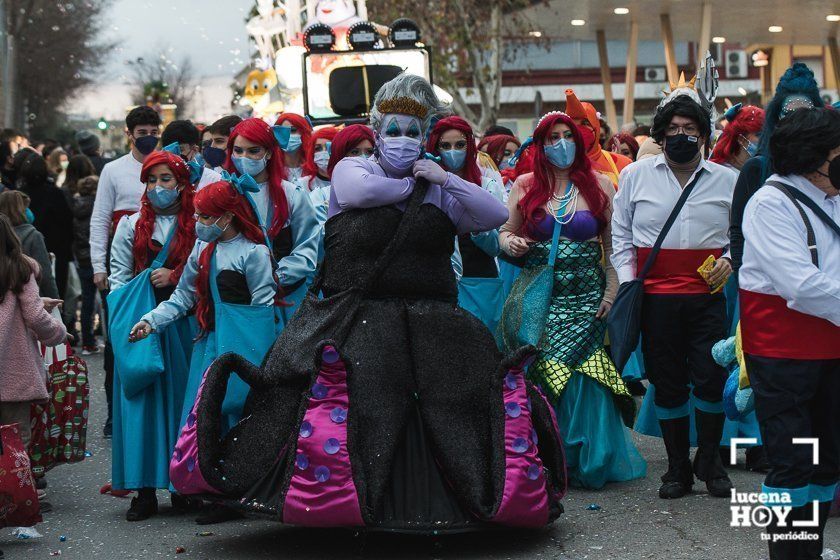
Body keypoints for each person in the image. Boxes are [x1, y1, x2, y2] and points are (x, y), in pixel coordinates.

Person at [169, 74, 567, 531]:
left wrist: (443, 179)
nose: (403, 141)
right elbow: (360, 194)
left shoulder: (440, 186)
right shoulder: (352, 170)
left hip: (435, 325)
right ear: (378, 134)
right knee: (356, 399)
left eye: (413, 133)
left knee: (450, 407)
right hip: (354, 321)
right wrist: (415, 187)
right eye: (393, 132)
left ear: (424, 137)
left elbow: (494, 215)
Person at [498, 111, 645, 489]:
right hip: (541, 300)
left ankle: (591, 460)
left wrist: (611, 295)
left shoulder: (600, 185)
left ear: (578, 143)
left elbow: (615, 251)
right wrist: (509, 241)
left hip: (588, 299)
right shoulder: (525, 185)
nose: (559, 143)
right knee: (547, 372)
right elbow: (504, 232)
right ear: (541, 144)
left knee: (589, 376)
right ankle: (550, 458)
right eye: (551, 137)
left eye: (566, 135)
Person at [612, 94, 737, 499]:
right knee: (666, 382)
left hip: (708, 297)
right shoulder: (635, 175)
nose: (681, 136)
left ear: (704, 136)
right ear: (661, 134)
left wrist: (731, 260)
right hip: (656, 298)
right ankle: (677, 469)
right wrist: (631, 283)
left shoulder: (727, 180)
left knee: (711, 378)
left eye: (690, 130)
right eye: (674, 130)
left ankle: (711, 460)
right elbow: (621, 235)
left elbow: (744, 233)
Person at [130, 178, 276, 525]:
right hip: (210, 343)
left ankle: (236, 493)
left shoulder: (253, 253)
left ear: (227, 217)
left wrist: (260, 357)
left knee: (237, 413)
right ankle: (214, 488)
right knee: (207, 415)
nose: (200, 223)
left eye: (206, 217)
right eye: (198, 216)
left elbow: (264, 307)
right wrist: (151, 321)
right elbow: (183, 297)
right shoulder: (202, 249)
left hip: (243, 346)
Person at [739, 107, 840, 560]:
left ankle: (810, 551)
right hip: (784, 355)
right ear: (811, 157)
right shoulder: (771, 203)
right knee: (792, 462)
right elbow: (801, 285)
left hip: (831, 349)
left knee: (827, 461)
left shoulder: (833, 195)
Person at [107, 150, 198, 522]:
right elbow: (118, 276)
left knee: (181, 404)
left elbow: (204, 269)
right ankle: (143, 490)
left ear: (181, 183)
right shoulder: (129, 225)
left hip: (183, 323)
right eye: (151, 180)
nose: (158, 187)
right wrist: (125, 319)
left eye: (166, 179)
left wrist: (176, 278)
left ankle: (182, 486)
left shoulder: (198, 222)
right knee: (140, 406)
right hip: (139, 326)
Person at [90, 105, 162, 437]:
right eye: (142, 132)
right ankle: (114, 414)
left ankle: (156, 410)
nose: (148, 137)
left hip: (158, 269)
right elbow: (100, 218)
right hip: (124, 271)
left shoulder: (165, 168)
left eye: (153, 131)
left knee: (156, 339)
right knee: (119, 342)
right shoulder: (113, 171)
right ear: (128, 133)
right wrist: (98, 266)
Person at [224, 117, 319, 323]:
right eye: (238, 151)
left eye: (253, 150)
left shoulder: (292, 194)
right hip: (237, 304)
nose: (244, 157)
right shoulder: (223, 195)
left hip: (287, 302)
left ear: (268, 152)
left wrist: (274, 277)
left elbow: (307, 250)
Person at [730, 63, 822, 274]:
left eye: (804, 115)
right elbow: (738, 232)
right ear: (776, 119)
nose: (797, 124)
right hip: (765, 290)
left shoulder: (826, 168)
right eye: (789, 115)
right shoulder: (756, 168)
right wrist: (746, 282)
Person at [0, 214, 67, 470]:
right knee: (15, 444)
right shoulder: (18, 269)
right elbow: (35, 316)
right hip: (13, 373)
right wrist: (58, 333)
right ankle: (14, 502)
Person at [426, 116, 506, 332]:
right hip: (437, 285)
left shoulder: (487, 185)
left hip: (481, 280)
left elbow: (497, 246)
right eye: (445, 145)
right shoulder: (423, 187)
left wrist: (477, 226)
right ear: (435, 146)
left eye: (460, 145)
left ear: (469, 145)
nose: (453, 151)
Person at [18, 153, 74, 301]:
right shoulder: (55, 193)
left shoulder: (18, 196)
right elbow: (67, 222)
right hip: (56, 252)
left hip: (24, 253)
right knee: (55, 293)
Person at [564, 89, 632, 187]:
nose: (578, 130)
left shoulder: (623, 163)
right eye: (572, 125)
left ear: (596, 127)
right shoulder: (557, 167)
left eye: (585, 123)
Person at [0, 190, 59, 298]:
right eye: (26, 208)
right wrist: (56, 300)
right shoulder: (33, 236)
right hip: (31, 299)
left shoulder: (2, 234)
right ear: (20, 210)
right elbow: (45, 275)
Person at [300, 126, 340, 264]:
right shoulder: (301, 186)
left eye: (329, 147)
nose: (323, 153)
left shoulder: (349, 183)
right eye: (318, 149)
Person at [71, 176, 101, 355]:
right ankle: (106, 335)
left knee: (87, 301)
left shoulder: (75, 207)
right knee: (105, 299)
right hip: (98, 256)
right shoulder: (98, 206)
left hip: (82, 258)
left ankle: (87, 342)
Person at [160, 120, 222, 191]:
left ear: (195, 150)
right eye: (168, 150)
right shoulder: (157, 179)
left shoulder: (213, 180)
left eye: (180, 149)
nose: (173, 155)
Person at [710, 104, 765, 172]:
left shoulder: (761, 169)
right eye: (759, 135)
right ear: (741, 139)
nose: (765, 139)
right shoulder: (720, 173)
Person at [273, 112, 312, 181]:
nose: (287, 135)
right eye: (282, 132)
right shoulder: (270, 168)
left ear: (304, 132)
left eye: (293, 130)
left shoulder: (315, 165)